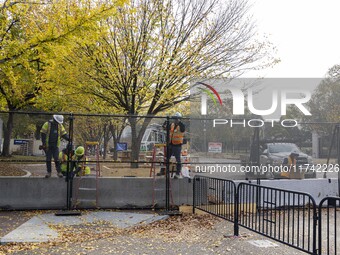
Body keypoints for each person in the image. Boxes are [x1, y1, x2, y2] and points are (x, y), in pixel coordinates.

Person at [163, 112, 185, 179]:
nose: (175, 120)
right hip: (171, 144)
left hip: (177, 145)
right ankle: (165, 171)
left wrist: (179, 122)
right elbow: (165, 128)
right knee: (167, 158)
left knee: (178, 160)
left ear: (179, 119)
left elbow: (182, 130)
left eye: (176, 119)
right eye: (174, 119)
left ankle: (177, 173)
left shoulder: (181, 125)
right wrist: (165, 122)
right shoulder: (172, 125)